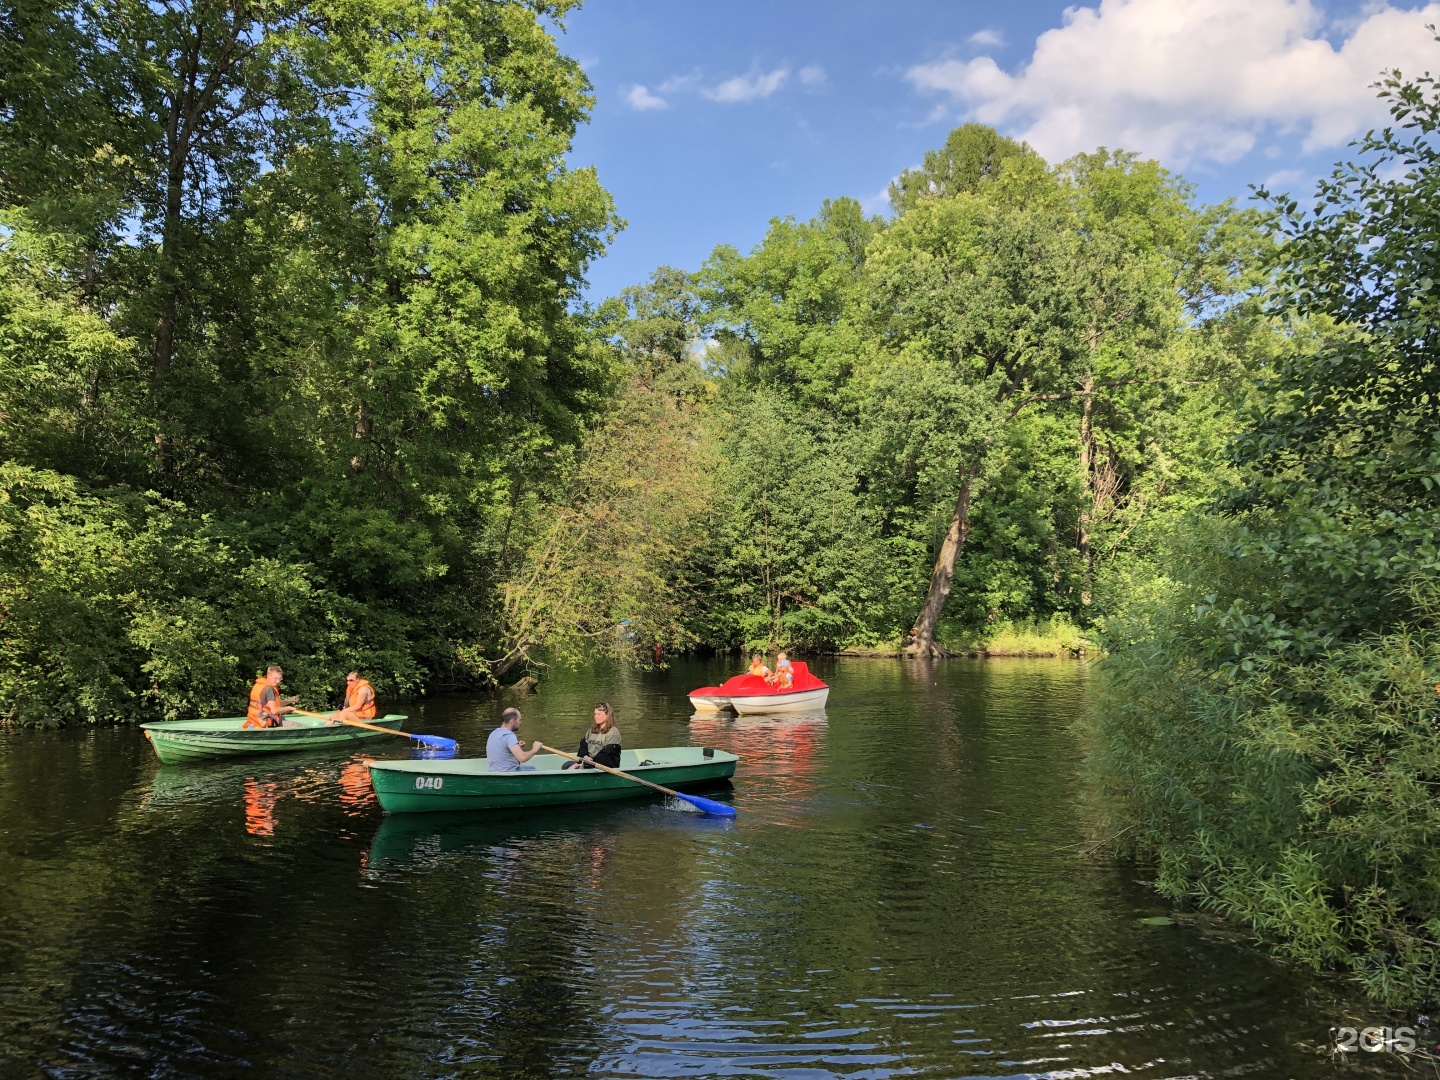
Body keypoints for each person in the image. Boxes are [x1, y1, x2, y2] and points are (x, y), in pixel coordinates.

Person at [559, 702, 622, 770]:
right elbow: (583, 746)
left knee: (572, 768)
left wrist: (588, 763)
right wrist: (585, 756)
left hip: (603, 764)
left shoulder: (613, 732)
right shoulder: (591, 730)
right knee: (566, 765)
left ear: (607, 715)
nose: (596, 717)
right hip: (587, 761)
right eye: (595, 714)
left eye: (599, 714)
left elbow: (606, 754)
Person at [486, 707, 541, 772]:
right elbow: (522, 758)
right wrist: (535, 748)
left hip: (495, 772)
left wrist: (517, 747)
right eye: (519, 720)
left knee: (532, 768)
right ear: (513, 721)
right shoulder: (509, 736)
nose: (520, 723)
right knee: (537, 771)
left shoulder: (493, 733)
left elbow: (502, 750)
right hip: (509, 772)